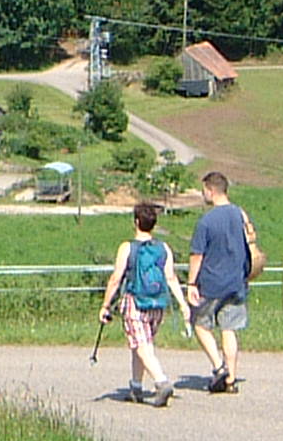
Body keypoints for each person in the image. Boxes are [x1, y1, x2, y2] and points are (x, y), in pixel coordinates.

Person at [99, 202, 187, 405]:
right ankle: (135, 387)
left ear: (136, 222)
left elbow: (116, 278)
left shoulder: (127, 248)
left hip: (135, 302)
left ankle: (161, 382)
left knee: (141, 345)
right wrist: (182, 304)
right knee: (142, 346)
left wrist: (105, 305)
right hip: (157, 303)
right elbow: (171, 277)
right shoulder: (163, 248)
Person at [185, 172, 256, 394]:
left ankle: (219, 366)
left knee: (200, 324)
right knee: (229, 329)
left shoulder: (206, 221)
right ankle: (231, 379)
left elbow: (197, 255)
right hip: (236, 281)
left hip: (212, 282)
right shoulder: (239, 214)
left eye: (204, 190)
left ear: (211, 190)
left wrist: (191, 283)